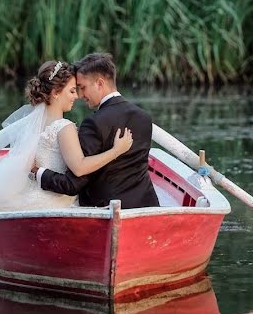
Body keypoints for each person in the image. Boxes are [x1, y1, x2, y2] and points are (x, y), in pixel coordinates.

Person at [0, 60, 133, 211]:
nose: (77, 96)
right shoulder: (64, 127)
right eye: (72, 91)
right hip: (55, 200)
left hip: (32, 191)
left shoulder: (32, 123)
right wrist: (116, 150)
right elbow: (79, 167)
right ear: (56, 93)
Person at [35, 52, 160, 209]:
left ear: (100, 83)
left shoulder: (94, 123)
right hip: (146, 206)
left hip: (105, 209)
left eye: (82, 87)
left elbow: (73, 184)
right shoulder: (144, 118)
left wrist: (37, 172)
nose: (80, 95)